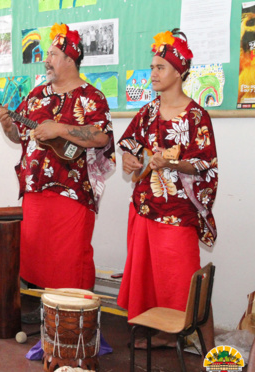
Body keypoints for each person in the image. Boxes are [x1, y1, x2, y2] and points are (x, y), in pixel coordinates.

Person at [0, 23, 115, 322]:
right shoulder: (36, 96)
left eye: (52, 54)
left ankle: (76, 320)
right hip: (36, 189)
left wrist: (60, 128)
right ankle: (51, 314)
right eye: (47, 54)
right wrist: (8, 126)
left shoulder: (92, 97)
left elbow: (102, 136)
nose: (46, 60)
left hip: (72, 192)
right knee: (39, 256)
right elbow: (18, 138)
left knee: (70, 258)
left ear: (70, 59)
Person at [116, 29, 218, 351]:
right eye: (152, 67)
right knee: (152, 280)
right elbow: (129, 148)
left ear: (180, 71)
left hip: (177, 214)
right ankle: (163, 334)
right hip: (145, 209)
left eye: (160, 67)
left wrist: (173, 164)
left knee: (188, 283)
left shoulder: (196, 116)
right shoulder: (147, 113)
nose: (154, 73)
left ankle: (211, 349)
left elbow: (205, 164)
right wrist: (130, 162)